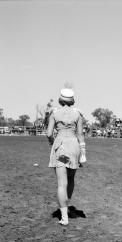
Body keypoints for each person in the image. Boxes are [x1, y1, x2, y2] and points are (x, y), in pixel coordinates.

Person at [47, 88, 86, 226]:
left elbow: (48, 133)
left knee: (61, 183)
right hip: (74, 147)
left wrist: (52, 142)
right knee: (70, 179)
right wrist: (83, 152)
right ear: (72, 101)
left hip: (61, 148)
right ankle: (67, 208)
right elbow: (81, 134)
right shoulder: (78, 114)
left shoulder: (55, 113)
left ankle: (64, 217)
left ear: (60, 100)